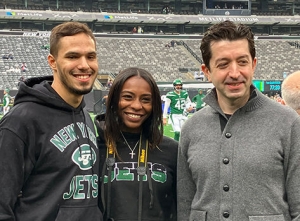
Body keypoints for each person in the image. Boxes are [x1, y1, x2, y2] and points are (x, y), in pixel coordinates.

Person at [177, 20, 300, 221]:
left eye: (242, 62)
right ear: (206, 71)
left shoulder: (289, 123)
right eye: (223, 64)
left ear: (253, 64)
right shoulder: (191, 128)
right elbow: (184, 206)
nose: (235, 73)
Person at [0, 21, 103, 221]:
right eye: (72, 56)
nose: (84, 64)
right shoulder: (20, 121)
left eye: (90, 56)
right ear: (52, 61)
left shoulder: (85, 115)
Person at [94, 67, 177, 221]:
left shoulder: (171, 150)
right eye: (127, 97)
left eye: (146, 99)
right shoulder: (93, 148)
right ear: (113, 100)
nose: (137, 106)